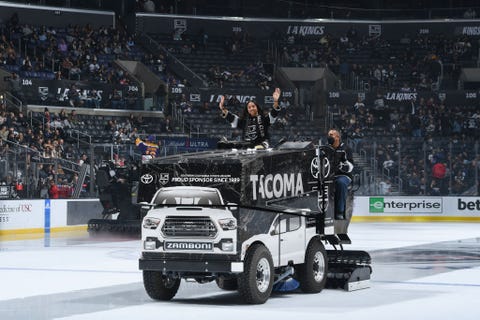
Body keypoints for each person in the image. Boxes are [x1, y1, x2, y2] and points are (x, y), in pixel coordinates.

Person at [327, 129, 354, 220]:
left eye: (331, 135)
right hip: (328, 176)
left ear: (337, 137)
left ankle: (340, 212)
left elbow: (351, 166)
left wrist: (340, 166)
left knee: (340, 183)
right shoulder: (326, 148)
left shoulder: (346, 148)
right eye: (328, 135)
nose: (329, 136)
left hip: (343, 175)